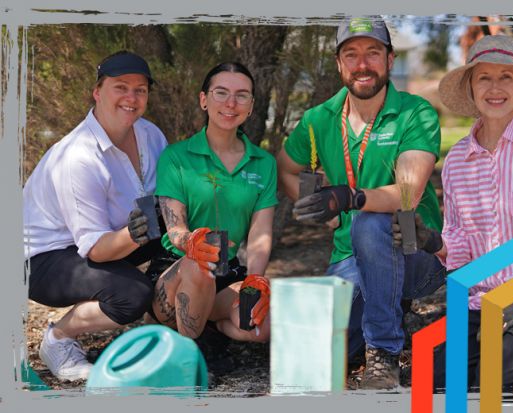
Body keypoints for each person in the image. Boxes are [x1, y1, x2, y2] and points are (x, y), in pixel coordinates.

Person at [393, 34, 513, 389]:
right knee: (427, 376)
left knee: (500, 378)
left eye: (506, 77)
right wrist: (433, 241)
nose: (495, 88)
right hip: (488, 300)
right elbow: (463, 245)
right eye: (484, 77)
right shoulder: (456, 162)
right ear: (470, 87)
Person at [277, 17, 446, 389]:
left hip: (414, 253)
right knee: (308, 356)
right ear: (339, 64)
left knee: (371, 223)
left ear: (389, 59)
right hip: (348, 259)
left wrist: (348, 198)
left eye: (373, 52)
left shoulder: (415, 113)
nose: (362, 63)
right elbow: (285, 168)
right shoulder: (317, 121)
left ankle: (383, 357)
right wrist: (315, 205)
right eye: (351, 54)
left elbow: (408, 192)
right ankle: (386, 315)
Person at [23, 51, 168, 381]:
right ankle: (58, 339)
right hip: (42, 259)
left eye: (140, 89)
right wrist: (141, 231)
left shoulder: (151, 135)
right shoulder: (78, 157)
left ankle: (171, 324)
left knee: (180, 240)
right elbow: (96, 249)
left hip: (108, 235)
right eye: (121, 87)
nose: (131, 98)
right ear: (98, 92)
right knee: (132, 295)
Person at [146, 62, 275, 349]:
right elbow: (175, 226)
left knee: (261, 326)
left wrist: (255, 279)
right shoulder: (176, 156)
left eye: (242, 95)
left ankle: (208, 326)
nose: (231, 103)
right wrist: (192, 242)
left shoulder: (264, 163)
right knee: (199, 265)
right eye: (221, 93)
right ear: (204, 100)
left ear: (251, 106)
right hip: (176, 273)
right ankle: (189, 352)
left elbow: (260, 233)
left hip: (226, 273)